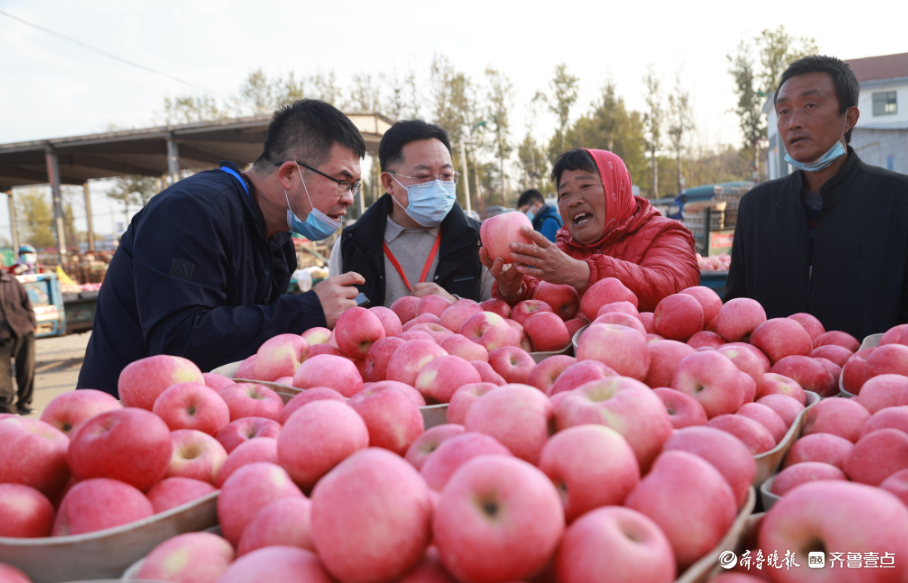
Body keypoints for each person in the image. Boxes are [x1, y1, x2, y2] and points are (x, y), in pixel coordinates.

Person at [78, 99, 367, 396]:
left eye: (354, 186)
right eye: (341, 182)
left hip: (201, 409)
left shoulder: (278, 240)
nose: (348, 198)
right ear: (289, 175)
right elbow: (178, 340)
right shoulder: (191, 212)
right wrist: (308, 309)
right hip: (125, 415)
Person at [725, 55, 908, 340]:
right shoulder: (757, 208)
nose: (793, 123)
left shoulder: (898, 202)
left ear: (849, 118)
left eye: (810, 105)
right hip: (774, 380)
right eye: (784, 111)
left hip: (868, 379)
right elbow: (736, 310)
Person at [482, 148, 699, 312]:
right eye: (564, 194)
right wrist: (513, 291)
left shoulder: (667, 233)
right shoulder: (564, 248)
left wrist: (581, 272)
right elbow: (537, 307)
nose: (574, 201)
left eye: (585, 186)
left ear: (617, 188)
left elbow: (677, 293)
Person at [328, 120, 492, 306]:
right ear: (389, 182)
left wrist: (455, 305)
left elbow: (500, 318)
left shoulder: (478, 240)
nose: (438, 186)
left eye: (446, 175)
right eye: (423, 176)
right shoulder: (352, 244)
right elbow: (337, 318)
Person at [0, 270, 36, 415]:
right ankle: (6, 407)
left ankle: (24, 403)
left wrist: (32, 322)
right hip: (1, 336)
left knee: (26, 369)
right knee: (2, 375)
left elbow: (26, 302)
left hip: (23, 330)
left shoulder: (12, 281)